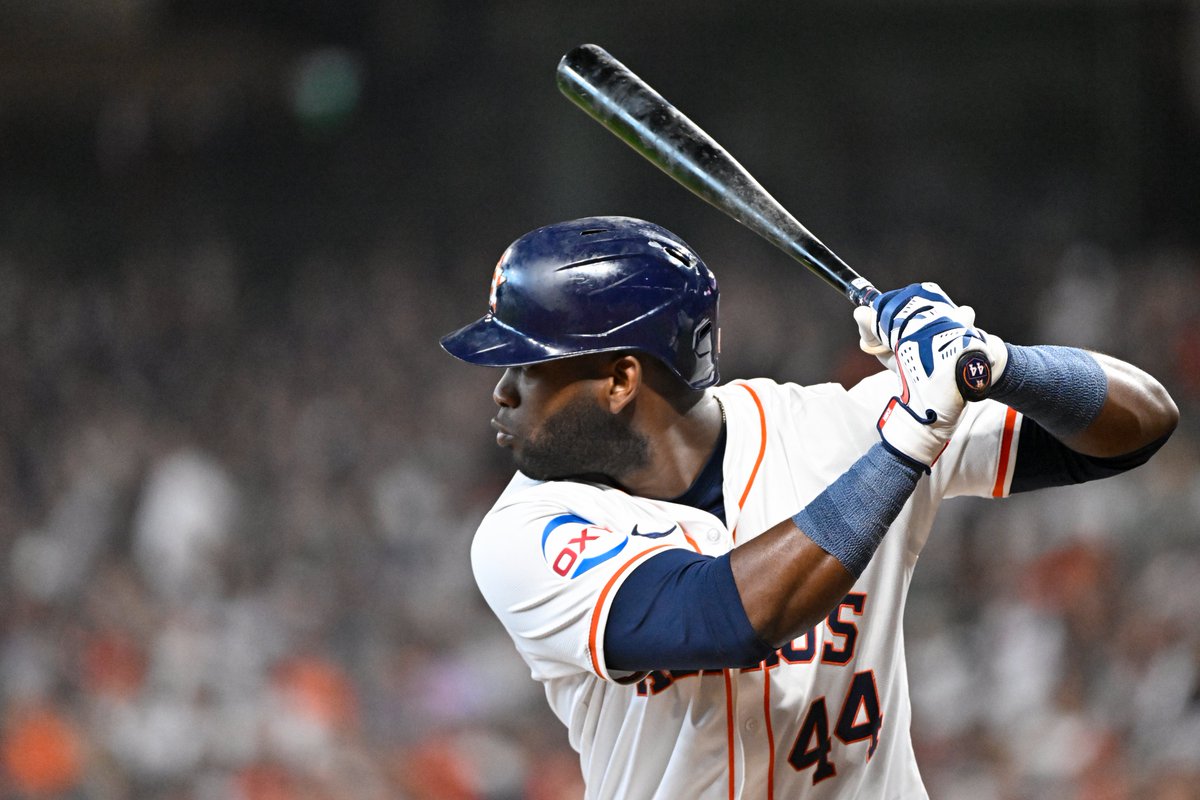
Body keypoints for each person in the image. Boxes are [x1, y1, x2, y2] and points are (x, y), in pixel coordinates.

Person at [439, 216, 1177, 799]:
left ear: (621, 378)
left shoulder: (832, 429)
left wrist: (992, 362)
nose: (501, 392)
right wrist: (912, 437)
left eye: (525, 365)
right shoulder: (522, 534)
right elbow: (729, 619)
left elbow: (1139, 426)